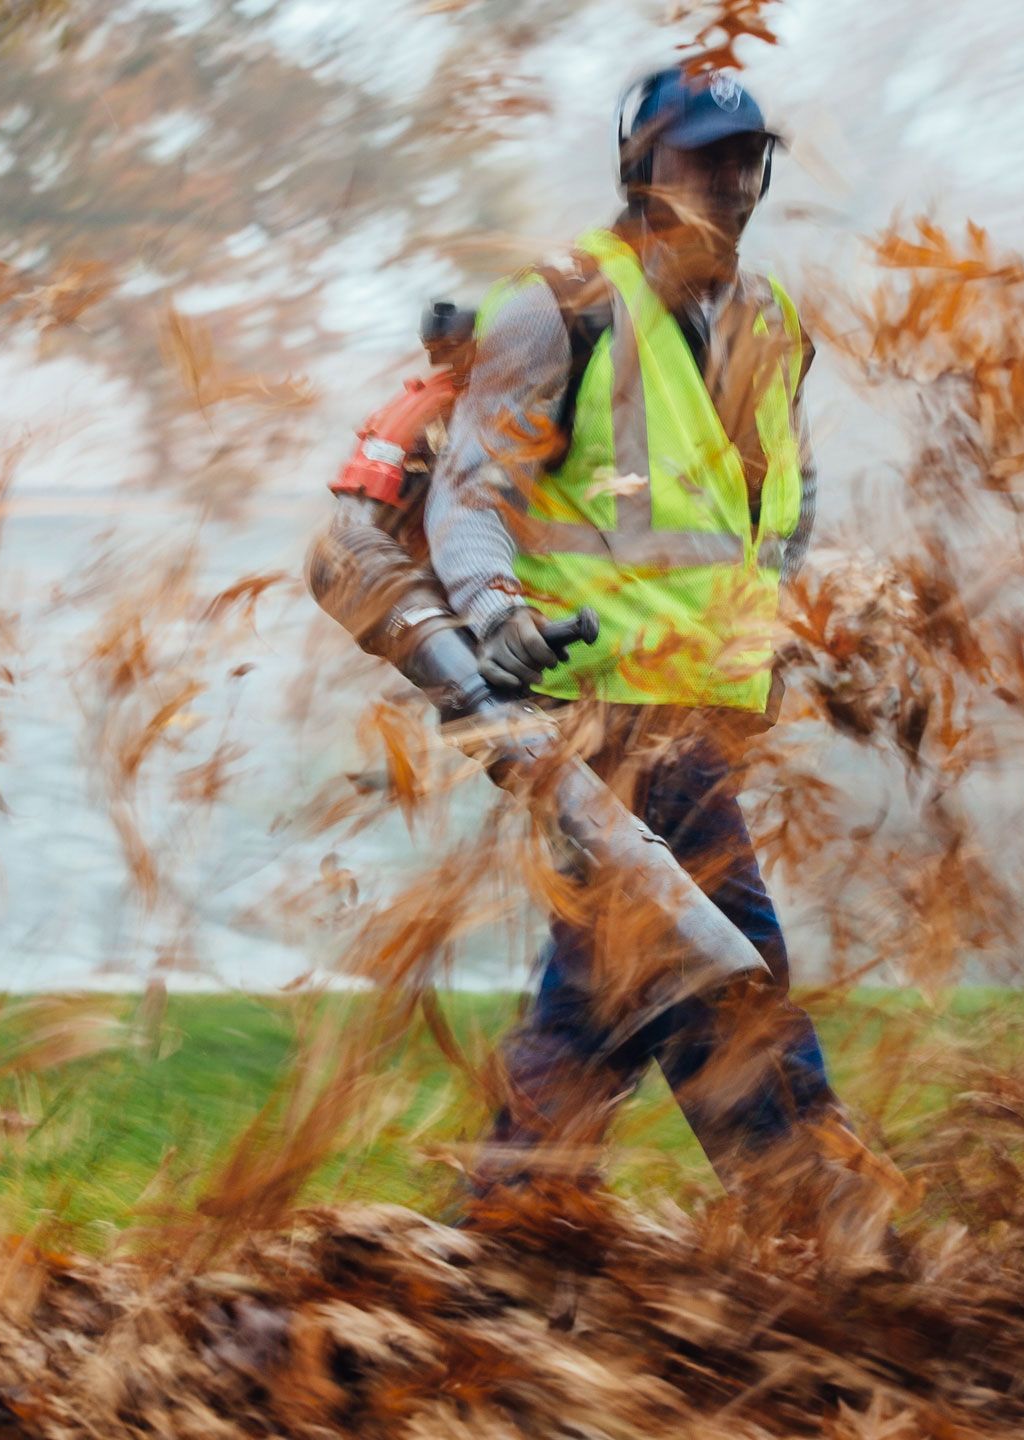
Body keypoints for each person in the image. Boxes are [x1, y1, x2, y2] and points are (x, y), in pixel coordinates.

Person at [330, 65, 847, 1202]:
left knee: (609, 986)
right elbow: (469, 495)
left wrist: (777, 617)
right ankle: (812, 1213)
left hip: (707, 714)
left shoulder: (774, 324)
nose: (727, 179)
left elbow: (783, 506)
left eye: (744, 157)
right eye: (701, 156)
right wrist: (499, 618)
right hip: (602, 714)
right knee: (725, 965)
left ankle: (509, 1219)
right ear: (640, 169)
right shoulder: (559, 307)